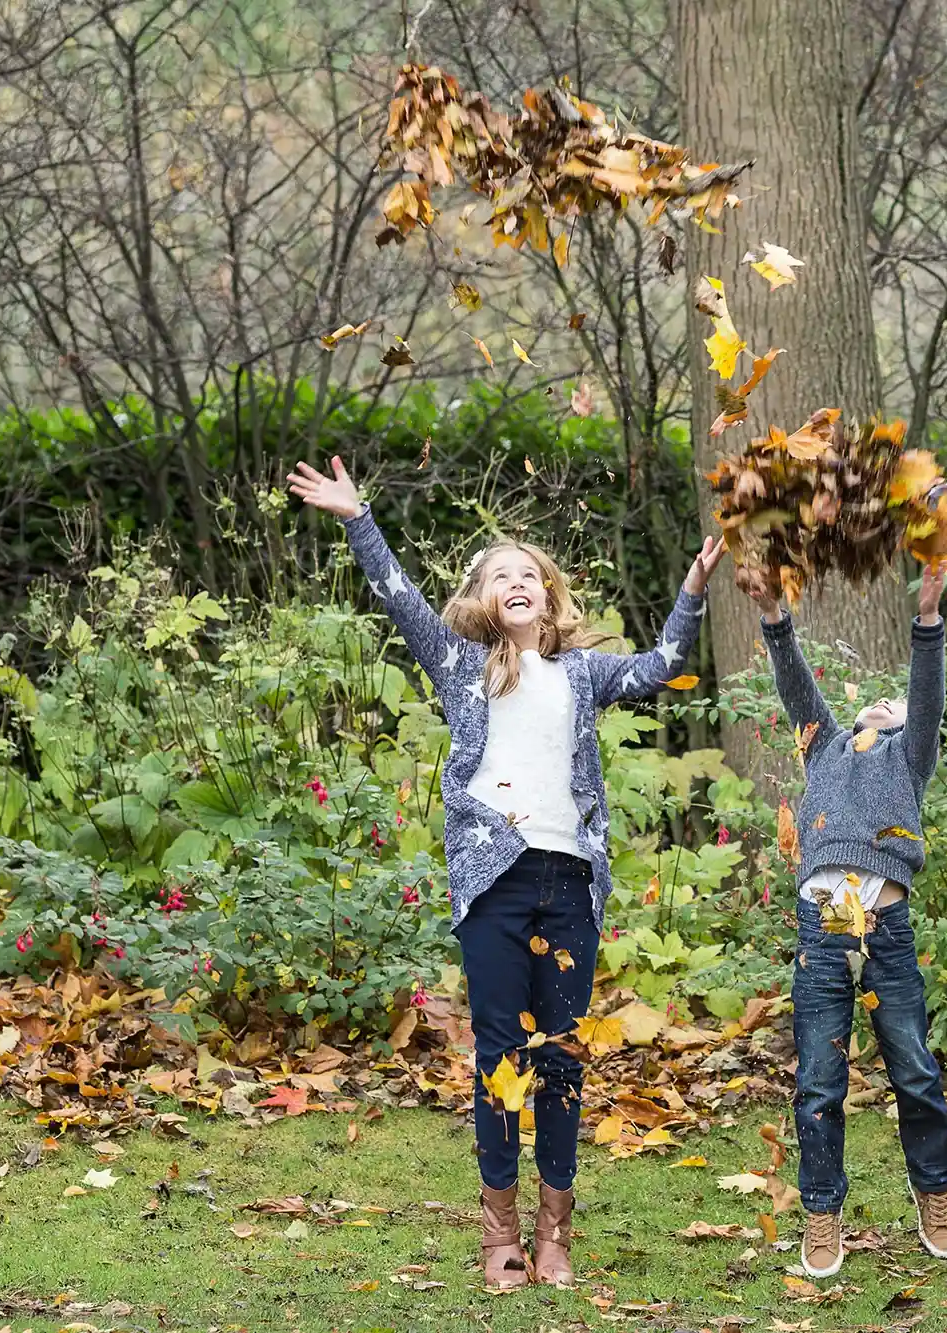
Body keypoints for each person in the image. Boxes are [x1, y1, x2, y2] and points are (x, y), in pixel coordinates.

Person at [287, 456, 723, 1289]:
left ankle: (554, 1233)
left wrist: (695, 586)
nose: (516, 582)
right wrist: (357, 518)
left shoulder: (583, 673)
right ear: (483, 599)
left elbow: (665, 661)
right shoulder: (461, 667)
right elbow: (399, 598)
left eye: (529, 574)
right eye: (500, 575)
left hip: (571, 886)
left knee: (560, 1057)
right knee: (500, 1053)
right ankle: (499, 1238)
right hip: (494, 883)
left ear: (548, 595)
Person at [742, 563, 947, 1280]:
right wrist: (775, 616)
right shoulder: (827, 747)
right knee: (820, 1081)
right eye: (873, 700)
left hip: (886, 927)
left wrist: (927, 615)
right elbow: (795, 684)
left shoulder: (908, 757)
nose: (880, 703)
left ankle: (933, 1192)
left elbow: (925, 698)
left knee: (916, 1073)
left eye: (891, 703)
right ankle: (823, 1211)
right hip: (826, 926)